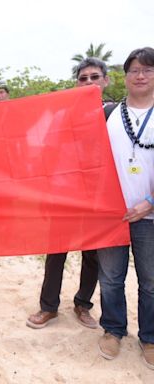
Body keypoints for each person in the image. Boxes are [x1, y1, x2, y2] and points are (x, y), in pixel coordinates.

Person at [27, 57, 110, 330]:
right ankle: (48, 307)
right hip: (65, 195)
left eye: (94, 77)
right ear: (77, 83)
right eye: (83, 78)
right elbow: (47, 151)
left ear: (105, 81)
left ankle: (83, 305)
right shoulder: (63, 115)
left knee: (93, 254)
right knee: (56, 252)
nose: (88, 82)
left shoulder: (114, 115)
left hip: (100, 196)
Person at [96, 47, 154, 369]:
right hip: (111, 214)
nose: (141, 75)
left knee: (151, 281)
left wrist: (150, 203)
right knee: (111, 277)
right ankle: (113, 329)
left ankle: (150, 337)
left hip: (151, 214)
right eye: (134, 70)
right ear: (125, 76)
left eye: (147, 70)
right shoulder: (108, 113)